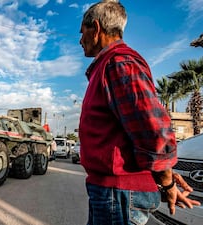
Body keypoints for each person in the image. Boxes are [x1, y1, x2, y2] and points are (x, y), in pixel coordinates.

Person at [78, 1, 200, 224]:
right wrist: (165, 177)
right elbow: (131, 135)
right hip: (110, 192)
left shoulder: (119, 63)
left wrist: (167, 182)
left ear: (96, 28)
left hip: (118, 195)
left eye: (82, 32)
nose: (80, 40)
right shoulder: (108, 65)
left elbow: (152, 130)